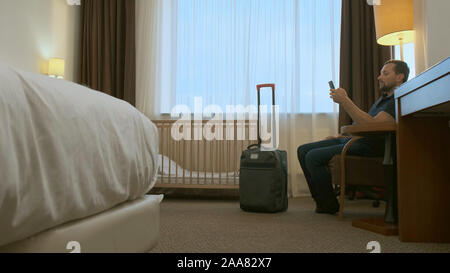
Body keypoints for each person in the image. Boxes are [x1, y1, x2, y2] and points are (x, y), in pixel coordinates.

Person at [297, 60, 410, 214]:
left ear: (400, 77)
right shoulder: (383, 99)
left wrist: (345, 100)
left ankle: (328, 204)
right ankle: (321, 201)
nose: (379, 77)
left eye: (385, 73)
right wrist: (340, 136)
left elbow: (372, 126)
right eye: (380, 73)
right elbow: (364, 124)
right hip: (358, 140)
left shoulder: (397, 99)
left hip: (370, 147)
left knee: (313, 156)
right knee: (302, 150)